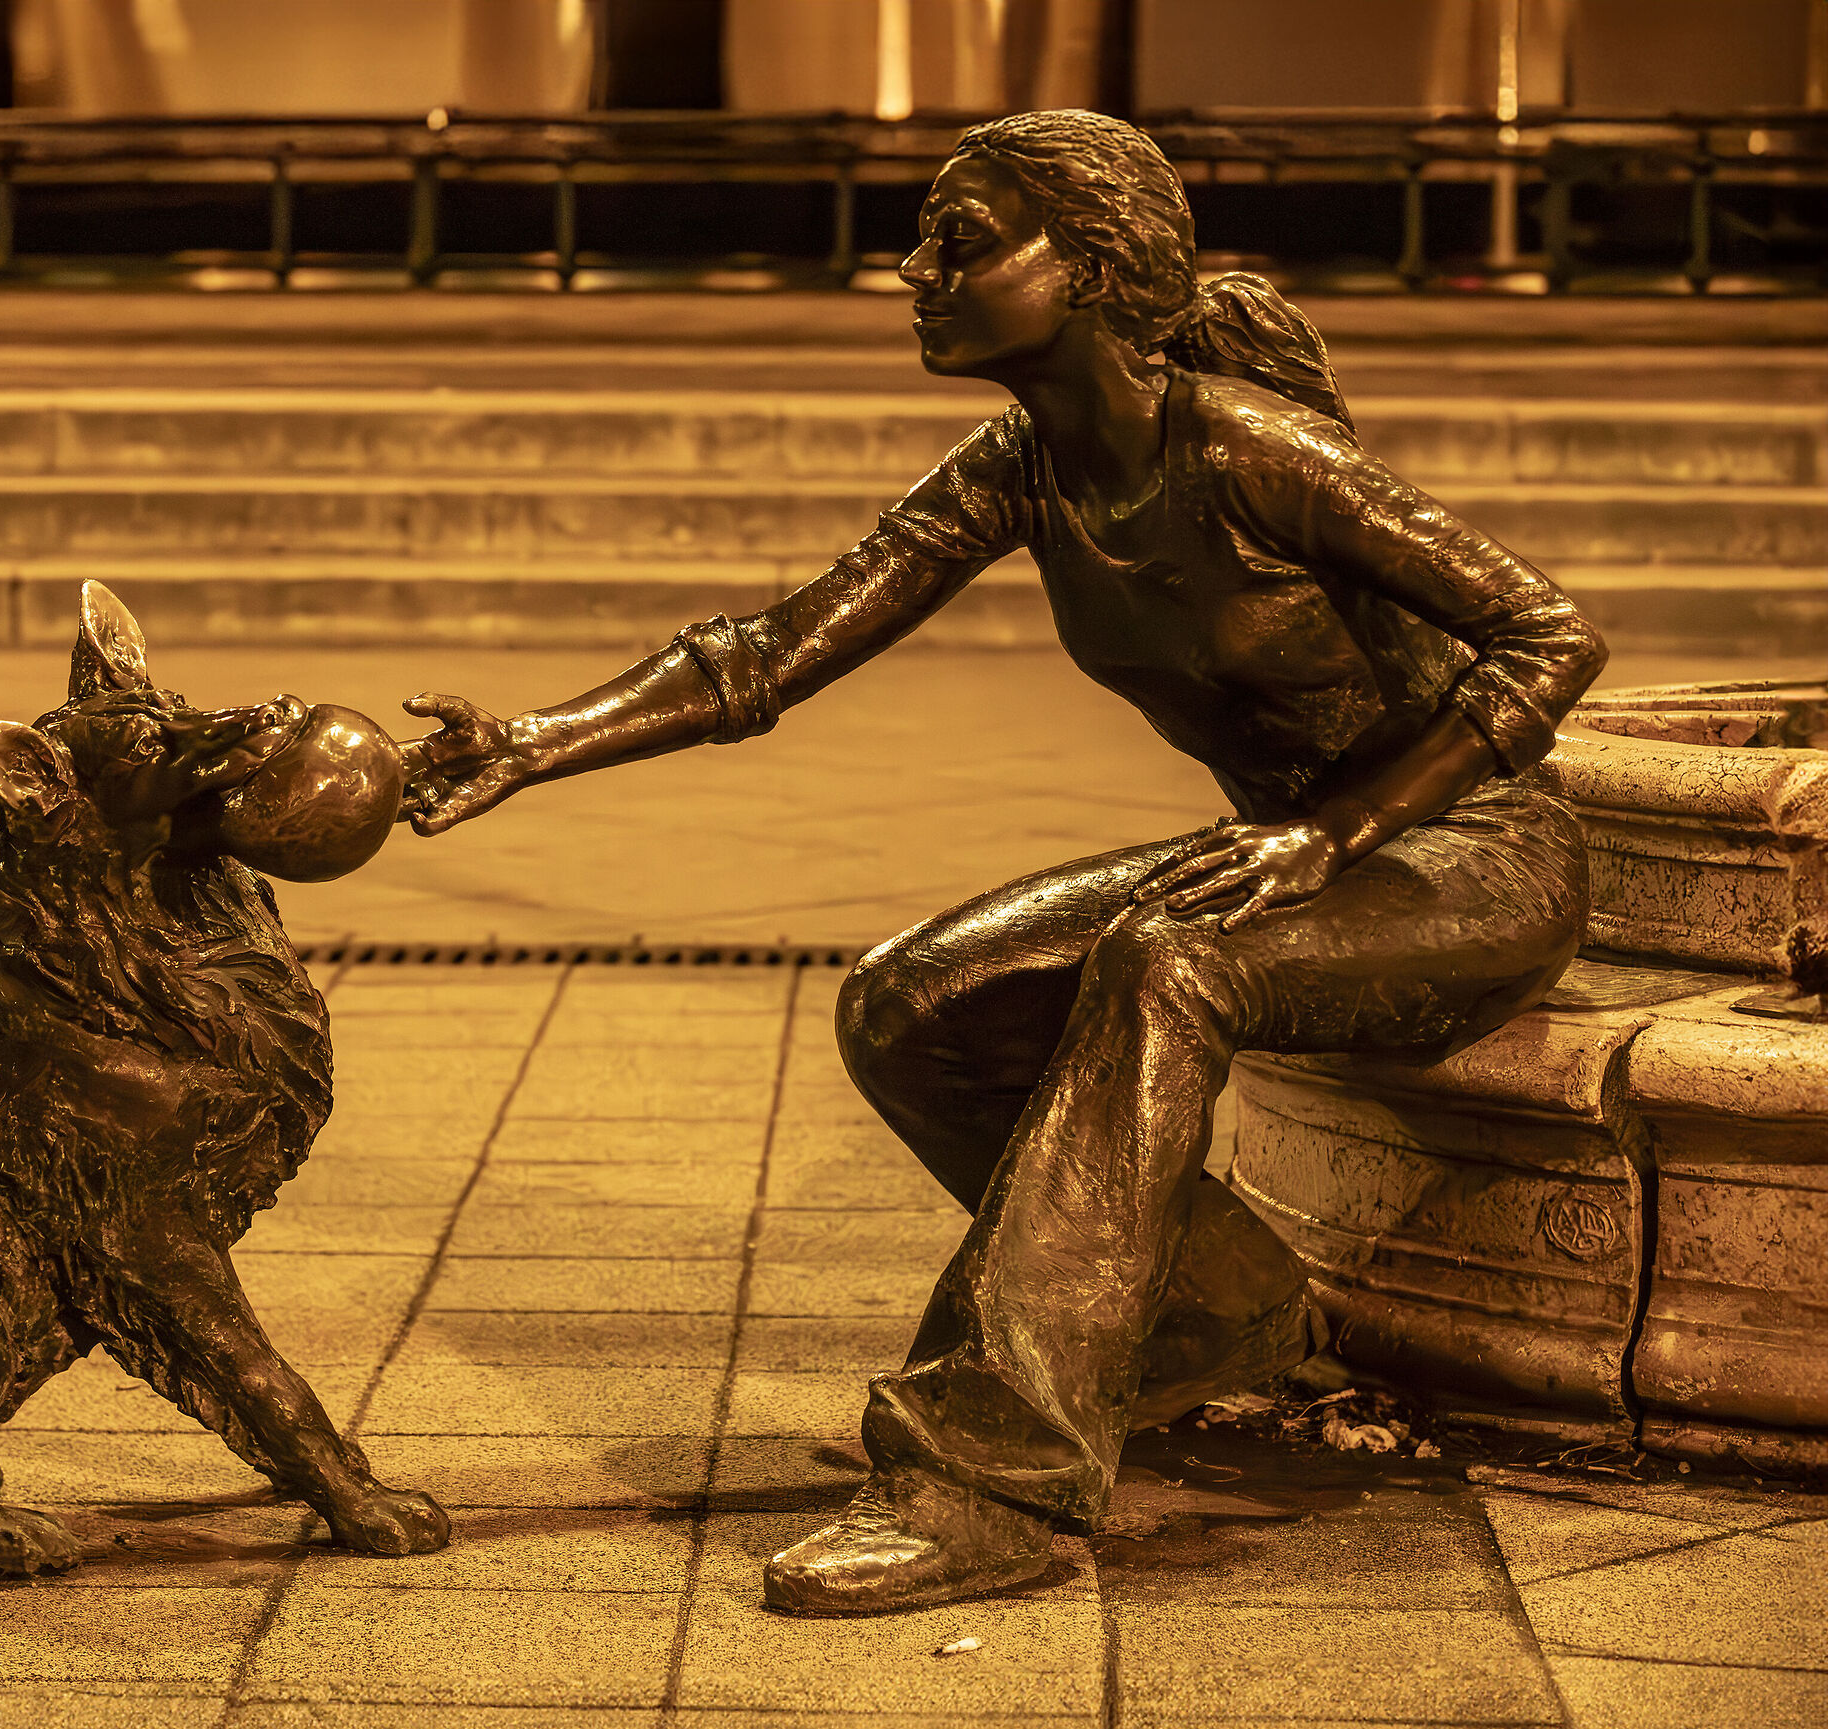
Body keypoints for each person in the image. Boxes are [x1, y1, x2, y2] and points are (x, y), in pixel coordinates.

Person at [397, 109, 1607, 1616]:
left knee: (1165, 961)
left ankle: (993, 1472)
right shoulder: (1023, 464)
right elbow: (771, 651)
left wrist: (1335, 833)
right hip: (1285, 863)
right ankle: (1206, 1309)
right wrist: (527, 741)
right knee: (910, 1000)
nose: (913, 271)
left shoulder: (1251, 448)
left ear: (1091, 267)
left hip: (1468, 859)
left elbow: (1551, 633)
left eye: (958, 241)